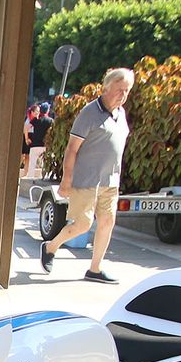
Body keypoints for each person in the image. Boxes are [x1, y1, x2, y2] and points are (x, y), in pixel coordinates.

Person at [40, 67, 134, 285]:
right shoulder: (90, 112)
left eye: (127, 91)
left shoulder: (121, 114)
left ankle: (95, 268)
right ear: (106, 88)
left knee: (107, 222)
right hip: (87, 180)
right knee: (83, 224)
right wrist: (66, 179)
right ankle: (51, 247)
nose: (123, 95)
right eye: (119, 90)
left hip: (110, 180)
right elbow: (72, 148)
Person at [25, 101, 52, 177]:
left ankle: (30, 179)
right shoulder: (50, 121)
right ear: (47, 110)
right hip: (45, 145)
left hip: (35, 144)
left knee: (32, 164)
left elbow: (26, 127)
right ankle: (44, 177)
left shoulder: (35, 120)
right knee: (45, 164)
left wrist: (27, 139)